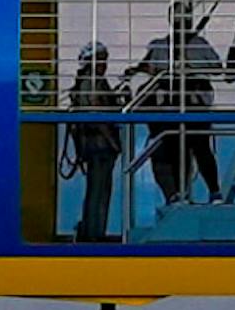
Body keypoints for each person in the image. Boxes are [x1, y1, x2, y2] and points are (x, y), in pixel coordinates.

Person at [134, 15, 226, 208]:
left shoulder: (199, 44)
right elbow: (146, 66)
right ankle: (179, 195)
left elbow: (218, 69)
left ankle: (214, 191)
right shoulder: (160, 46)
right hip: (171, 107)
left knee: (201, 149)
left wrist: (192, 68)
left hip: (195, 106)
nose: (181, 25)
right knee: (175, 151)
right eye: (177, 21)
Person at [64, 39, 125, 241]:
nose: (104, 64)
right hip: (99, 146)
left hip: (97, 146)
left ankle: (94, 231)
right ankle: (93, 234)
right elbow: (96, 114)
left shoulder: (93, 82)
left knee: (99, 191)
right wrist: (113, 143)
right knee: (98, 192)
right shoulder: (91, 83)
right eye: (100, 59)